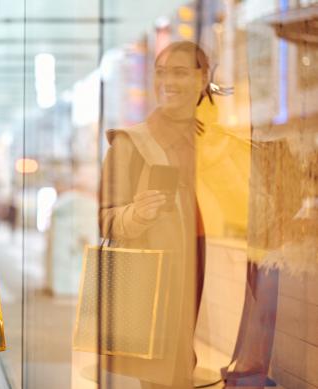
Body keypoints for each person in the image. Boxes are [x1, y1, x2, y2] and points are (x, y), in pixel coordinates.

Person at [99, 41, 211, 389]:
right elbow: (106, 219)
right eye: (161, 73)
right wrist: (137, 215)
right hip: (160, 278)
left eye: (179, 72)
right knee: (163, 375)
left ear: (203, 79)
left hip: (205, 261)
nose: (168, 82)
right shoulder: (132, 144)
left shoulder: (213, 140)